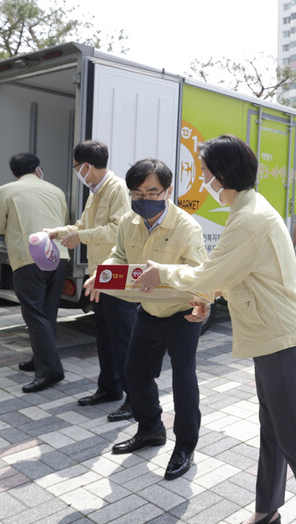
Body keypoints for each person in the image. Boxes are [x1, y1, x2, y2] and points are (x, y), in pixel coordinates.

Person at [131, 135, 296, 524]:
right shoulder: (248, 210)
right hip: (272, 336)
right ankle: (267, 510)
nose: (204, 179)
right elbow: (232, 272)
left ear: (223, 174)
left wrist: (164, 273)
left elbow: (211, 273)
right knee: (273, 430)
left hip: (280, 338)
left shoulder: (249, 219)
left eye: (206, 173)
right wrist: (206, 300)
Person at [83, 159, 207, 481]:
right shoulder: (129, 221)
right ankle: (150, 428)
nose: (144, 198)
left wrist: (196, 299)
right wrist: (103, 274)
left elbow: (200, 273)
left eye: (152, 192)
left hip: (183, 314)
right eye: (136, 192)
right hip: (148, 311)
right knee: (134, 372)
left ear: (167, 191)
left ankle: (185, 446)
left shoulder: (186, 227)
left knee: (183, 381)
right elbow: (119, 256)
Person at [46, 141, 136, 418]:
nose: (77, 172)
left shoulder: (117, 188)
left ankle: (135, 399)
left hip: (116, 271)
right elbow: (82, 226)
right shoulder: (95, 192)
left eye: (76, 167)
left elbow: (118, 229)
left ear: (86, 166)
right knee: (106, 335)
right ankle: (110, 387)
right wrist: (58, 232)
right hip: (100, 274)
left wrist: (81, 237)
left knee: (122, 338)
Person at [0, 153, 70, 393]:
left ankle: (50, 371)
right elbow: (62, 222)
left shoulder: (7, 191)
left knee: (34, 315)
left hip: (30, 258)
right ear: (38, 169)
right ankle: (39, 359)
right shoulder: (56, 191)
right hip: (58, 256)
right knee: (47, 313)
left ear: (14, 172)